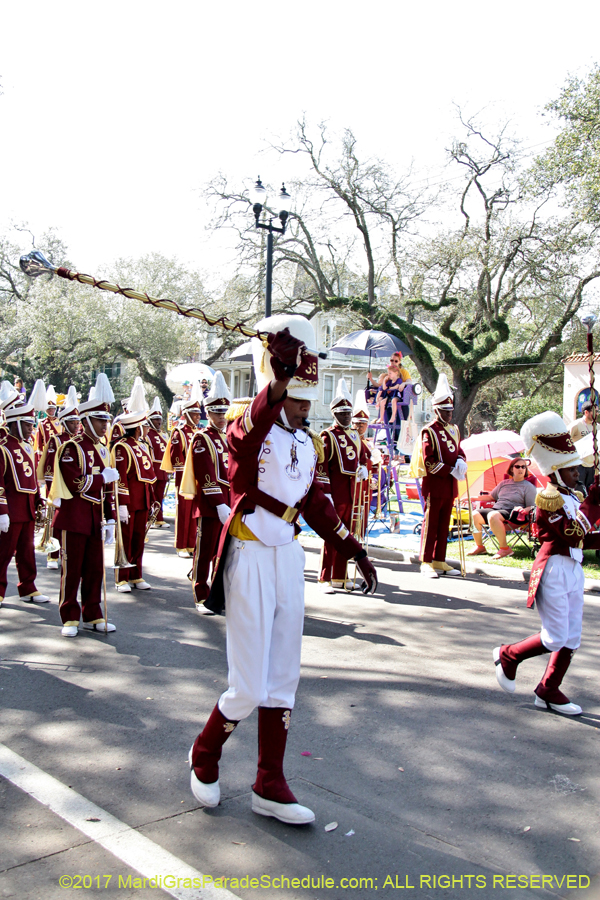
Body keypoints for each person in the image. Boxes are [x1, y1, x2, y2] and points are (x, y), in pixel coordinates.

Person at [188, 315, 377, 826]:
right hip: (249, 556)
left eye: (304, 402)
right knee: (247, 684)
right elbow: (249, 424)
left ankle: (269, 782)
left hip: (287, 558)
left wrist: (353, 548)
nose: (301, 408)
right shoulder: (247, 433)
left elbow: (316, 504)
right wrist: (276, 377)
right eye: (294, 399)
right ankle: (205, 753)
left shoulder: (305, 442)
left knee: (282, 680)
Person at [493, 411, 600, 715]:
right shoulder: (547, 500)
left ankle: (549, 689)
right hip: (553, 570)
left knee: (572, 636)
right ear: (554, 472)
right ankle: (509, 655)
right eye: (570, 469)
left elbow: (585, 538)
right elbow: (574, 532)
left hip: (573, 568)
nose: (577, 472)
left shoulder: (570, 496)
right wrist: (594, 501)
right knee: (554, 637)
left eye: (577, 467)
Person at [50, 374, 119, 636]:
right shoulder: (71, 447)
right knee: (72, 571)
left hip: (94, 519)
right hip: (74, 518)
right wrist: (102, 478)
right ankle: (69, 616)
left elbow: (105, 491)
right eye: (100, 420)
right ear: (87, 421)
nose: (105, 425)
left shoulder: (103, 449)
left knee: (94, 570)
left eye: (106, 420)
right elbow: (75, 483)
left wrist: (110, 517)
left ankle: (93, 614)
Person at [180, 372, 231, 611]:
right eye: (217, 413)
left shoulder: (229, 437)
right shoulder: (202, 438)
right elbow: (206, 474)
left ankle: (218, 595)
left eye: (224, 413)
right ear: (207, 414)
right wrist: (220, 503)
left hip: (231, 503)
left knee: (223, 555)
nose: (221, 418)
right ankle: (200, 594)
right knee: (204, 553)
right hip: (212, 506)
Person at [412, 373, 467, 578]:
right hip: (435, 484)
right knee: (431, 523)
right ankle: (425, 561)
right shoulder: (429, 431)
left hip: (450, 485)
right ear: (436, 410)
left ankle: (439, 559)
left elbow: (458, 450)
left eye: (450, 410)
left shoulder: (454, 430)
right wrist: (449, 469)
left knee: (445, 524)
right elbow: (429, 461)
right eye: (444, 411)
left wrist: (461, 460)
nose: (448, 414)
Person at [317, 378, 370, 592]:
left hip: (352, 494)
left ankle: (340, 575)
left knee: (347, 535)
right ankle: (325, 577)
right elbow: (321, 468)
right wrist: (325, 493)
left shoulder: (355, 436)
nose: (347, 416)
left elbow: (363, 456)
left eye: (348, 413)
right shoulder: (327, 436)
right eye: (342, 413)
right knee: (332, 535)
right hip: (335, 494)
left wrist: (364, 466)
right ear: (334, 414)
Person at [0, 392, 51, 606]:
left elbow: (30, 479)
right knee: (3, 553)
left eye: (32, 424)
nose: (32, 428)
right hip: (10, 510)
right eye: (28, 424)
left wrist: (39, 500)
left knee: (27, 552)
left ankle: (28, 587)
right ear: (15, 424)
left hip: (27, 508)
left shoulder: (28, 447)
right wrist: (2, 512)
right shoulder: (2, 448)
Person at [111, 381, 157, 592]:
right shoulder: (122, 446)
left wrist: (153, 498)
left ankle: (136, 574)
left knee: (139, 539)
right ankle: (122, 577)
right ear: (137, 427)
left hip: (143, 500)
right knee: (126, 539)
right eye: (145, 425)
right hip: (129, 502)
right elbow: (121, 478)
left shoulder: (142, 445)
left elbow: (147, 476)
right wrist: (121, 504)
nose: (147, 428)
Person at [37, 385, 81, 570]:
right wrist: (52, 491)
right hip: (57, 487)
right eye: (72, 422)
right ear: (64, 423)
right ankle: (52, 555)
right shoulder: (56, 440)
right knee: (55, 521)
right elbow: (49, 469)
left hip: (74, 487)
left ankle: (67, 553)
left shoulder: (79, 441)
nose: (76, 426)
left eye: (77, 422)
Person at [161, 381, 202, 557]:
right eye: (194, 414)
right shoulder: (179, 432)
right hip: (184, 476)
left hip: (198, 477)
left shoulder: (198, 432)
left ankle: (192, 544)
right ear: (186, 414)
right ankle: (181, 545)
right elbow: (177, 458)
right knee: (184, 510)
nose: (197, 417)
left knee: (194, 511)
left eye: (198, 414)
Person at [469, 458, 538, 558]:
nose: (521, 469)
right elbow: (491, 497)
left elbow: (532, 506)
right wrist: (472, 497)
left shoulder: (529, 487)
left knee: (493, 515)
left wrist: (524, 510)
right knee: (474, 514)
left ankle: (505, 549)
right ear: (511, 469)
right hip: (498, 509)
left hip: (514, 512)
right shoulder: (504, 483)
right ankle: (480, 546)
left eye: (523, 467)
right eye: (517, 466)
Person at [146, 397, 170, 527]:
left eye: (160, 419)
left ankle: (158, 518)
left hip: (163, 468)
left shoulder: (164, 434)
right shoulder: (147, 434)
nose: (158, 422)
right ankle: (149, 517)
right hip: (152, 468)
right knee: (151, 494)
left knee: (160, 495)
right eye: (155, 419)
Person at [570, 400, 597, 492]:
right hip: (579, 464)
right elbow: (565, 441)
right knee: (579, 492)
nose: (597, 413)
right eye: (595, 411)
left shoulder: (597, 427)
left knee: (592, 492)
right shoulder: (576, 425)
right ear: (586, 412)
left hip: (593, 465)